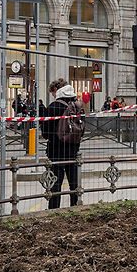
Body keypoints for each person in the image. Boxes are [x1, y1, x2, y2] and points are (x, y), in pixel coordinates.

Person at [43, 81, 85, 209]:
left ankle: (54, 209)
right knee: (74, 183)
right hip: (73, 150)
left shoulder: (53, 107)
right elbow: (82, 129)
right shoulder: (78, 106)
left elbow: (46, 132)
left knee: (55, 184)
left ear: (58, 90)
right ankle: (75, 207)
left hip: (56, 151)